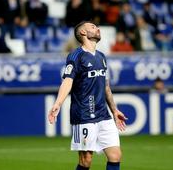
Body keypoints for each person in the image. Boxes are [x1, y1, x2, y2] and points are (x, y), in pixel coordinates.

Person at [48, 21, 127, 170]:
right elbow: (67, 81)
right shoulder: (76, 56)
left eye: (97, 26)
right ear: (83, 33)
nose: (97, 28)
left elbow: (106, 86)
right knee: (86, 161)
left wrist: (114, 110)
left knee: (115, 155)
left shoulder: (102, 56)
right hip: (84, 114)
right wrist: (58, 103)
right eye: (92, 27)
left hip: (104, 115)